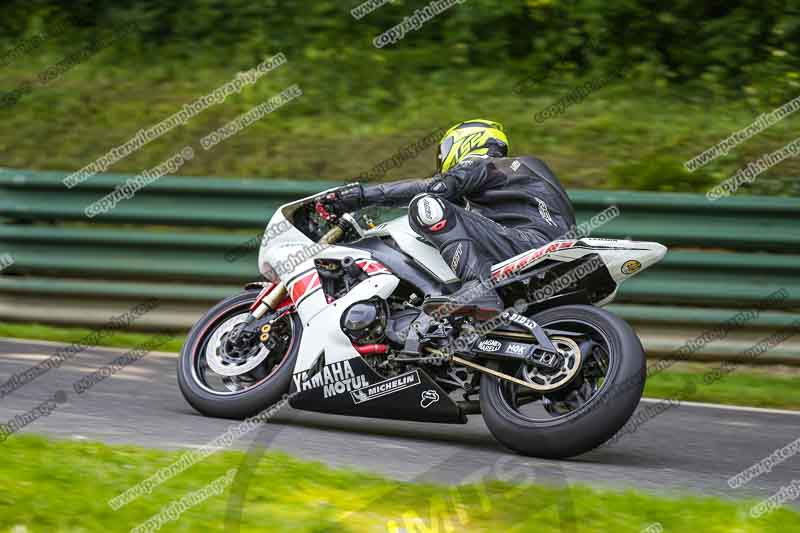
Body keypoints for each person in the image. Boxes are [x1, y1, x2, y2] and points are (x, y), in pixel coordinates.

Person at [326, 119, 576, 319]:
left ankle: (477, 288)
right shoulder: (511, 175)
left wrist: (361, 195)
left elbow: (436, 188)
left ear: (466, 142)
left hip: (528, 243)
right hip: (541, 247)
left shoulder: (486, 163)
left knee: (426, 205)